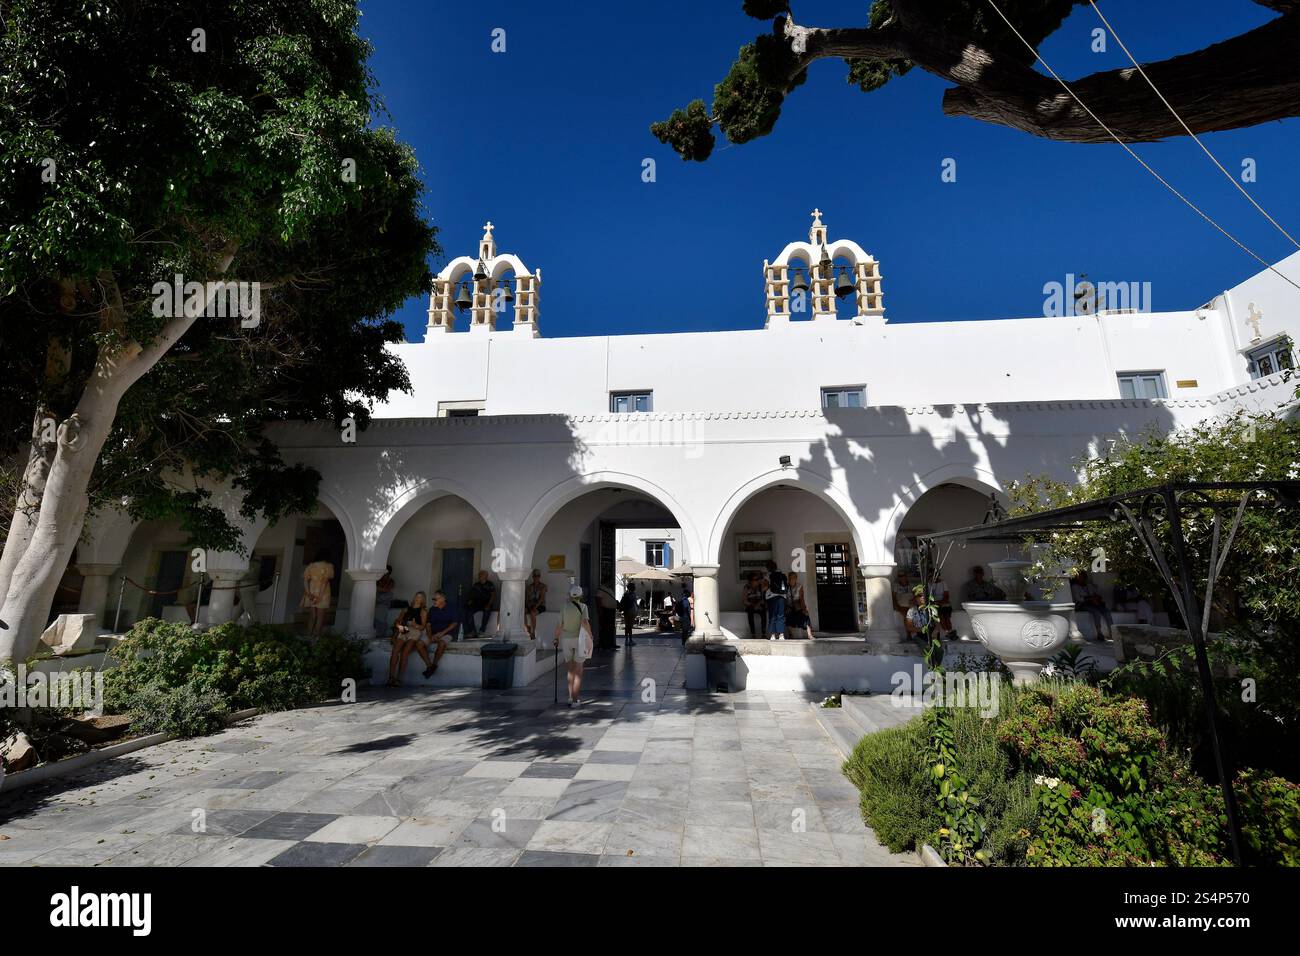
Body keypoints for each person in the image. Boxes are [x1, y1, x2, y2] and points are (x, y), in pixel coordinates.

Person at [554, 584, 593, 707]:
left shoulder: (564, 607)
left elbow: (559, 625)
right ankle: (576, 700)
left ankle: (571, 697)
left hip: (566, 640)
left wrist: (556, 638)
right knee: (578, 671)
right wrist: (591, 635)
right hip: (579, 640)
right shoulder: (583, 607)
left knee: (570, 670)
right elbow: (585, 622)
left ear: (570, 595)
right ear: (580, 595)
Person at [386, 591, 429, 686]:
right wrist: (398, 628)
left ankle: (399, 679)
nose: (418, 598)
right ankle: (391, 677)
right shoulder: (406, 609)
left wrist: (415, 625)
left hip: (415, 630)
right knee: (395, 651)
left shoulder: (423, 611)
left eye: (420, 597)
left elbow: (422, 627)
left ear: (423, 600)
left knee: (405, 652)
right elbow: (397, 621)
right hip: (404, 629)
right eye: (417, 596)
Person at [416, 590, 459, 678]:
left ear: (443, 599)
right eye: (433, 599)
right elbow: (428, 625)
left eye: (436, 599)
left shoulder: (451, 608)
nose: (434, 601)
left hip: (446, 632)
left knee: (442, 643)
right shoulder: (432, 609)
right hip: (433, 633)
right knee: (419, 644)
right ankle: (429, 666)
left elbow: (454, 623)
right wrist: (430, 636)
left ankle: (434, 664)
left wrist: (442, 633)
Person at [1070, 569, 1113, 641]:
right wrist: (1091, 599)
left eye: (1082, 577)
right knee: (1096, 612)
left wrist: (1096, 598)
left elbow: (1098, 594)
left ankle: (1112, 633)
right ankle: (1099, 633)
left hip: (1094, 603)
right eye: (1079, 577)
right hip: (1082, 605)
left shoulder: (1089, 585)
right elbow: (1079, 599)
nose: (1081, 579)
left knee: (1107, 612)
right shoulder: (1075, 587)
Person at [300, 550, 334, 637]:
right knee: (320, 617)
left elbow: (305, 580)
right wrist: (320, 596)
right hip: (323, 593)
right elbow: (324, 582)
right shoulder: (328, 566)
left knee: (312, 616)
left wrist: (308, 593)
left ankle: (308, 634)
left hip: (311, 591)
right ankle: (315, 637)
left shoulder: (311, 566)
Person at [463, 570, 496, 639]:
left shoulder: (490, 584)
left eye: (481, 575)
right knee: (468, 611)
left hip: (487, 603)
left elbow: (493, 595)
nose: (480, 577)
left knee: (487, 611)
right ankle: (473, 631)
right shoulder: (476, 585)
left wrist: (489, 605)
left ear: (486, 577)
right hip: (477, 604)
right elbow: (472, 595)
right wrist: (470, 601)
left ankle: (482, 631)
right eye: (479, 575)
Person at [764, 559, 788, 641]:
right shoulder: (782, 575)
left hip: (771, 597)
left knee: (772, 616)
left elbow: (765, 587)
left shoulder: (768, 576)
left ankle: (773, 635)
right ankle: (781, 635)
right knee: (780, 615)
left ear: (768, 568)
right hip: (782, 597)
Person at [786, 571, 814, 640]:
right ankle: (791, 634)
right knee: (788, 618)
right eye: (790, 578)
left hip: (798, 605)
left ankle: (810, 635)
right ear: (788, 579)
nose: (792, 580)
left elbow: (801, 598)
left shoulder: (799, 586)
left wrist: (804, 609)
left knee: (806, 617)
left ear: (796, 579)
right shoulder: (786, 587)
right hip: (789, 605)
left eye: (793, 578)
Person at [742, 571, 767, 639]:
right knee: (750, 613)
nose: (757, 581)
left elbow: (764, 596)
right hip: (750, 605)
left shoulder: (760, 586)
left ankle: (763, 633)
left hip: (759, 605)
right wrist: (753, 605)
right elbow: (744, 601)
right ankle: (753, 633)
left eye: (758, 579)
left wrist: (758, 604)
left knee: (763, 612)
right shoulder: (746, 587)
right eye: (755, 579)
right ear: (751, 581)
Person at [524, 570, 547, 640]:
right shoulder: (529, 587)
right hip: (531, 605)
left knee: (532, 613)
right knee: (522, 611)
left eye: (538, 576)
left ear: (539, 577)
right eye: (535, 576)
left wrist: (535, 606)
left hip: (540, 605)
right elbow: (527, 598)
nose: (536, 578)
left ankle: (533, 632)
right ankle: (527, 627)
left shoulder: (543, 586)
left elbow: (542, 599)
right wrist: (529, 605)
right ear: (532, 577)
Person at [373, 565, 395, 637]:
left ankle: (380, 634)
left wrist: (378, 588)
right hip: (376, 602)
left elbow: (387, 589)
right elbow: (375, 587)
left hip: (383, 604)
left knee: (380, 619)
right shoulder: (378, 579)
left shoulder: (390, 581)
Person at [618, 582, 639, 647]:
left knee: (629, 626)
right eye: (634, 586)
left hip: (630, 612)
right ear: (631, 587)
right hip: (628, 611)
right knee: (628, 626)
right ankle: (628, 640)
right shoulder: (628, 594)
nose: (635, 587)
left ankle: (628, 640)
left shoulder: (629, 594)